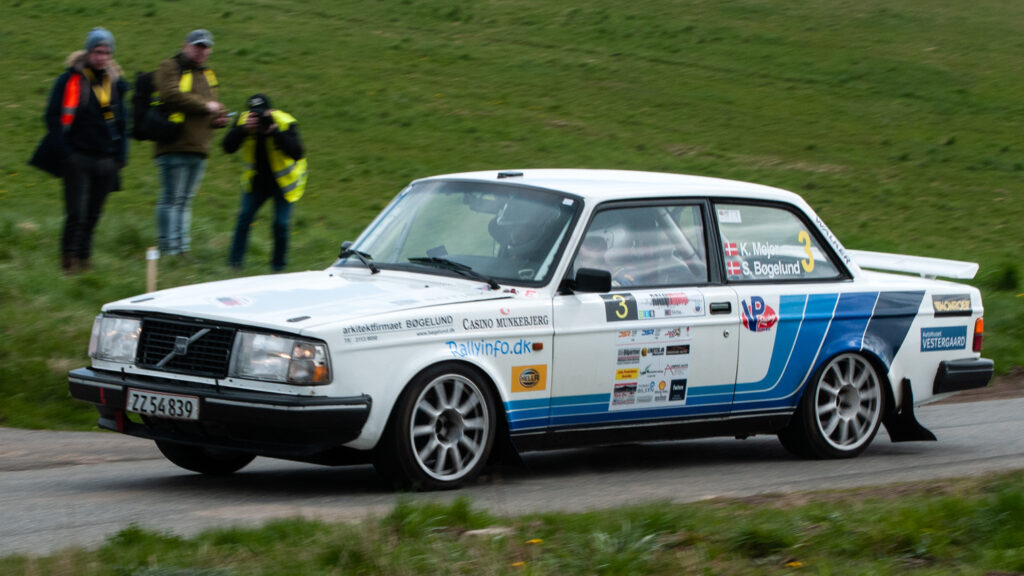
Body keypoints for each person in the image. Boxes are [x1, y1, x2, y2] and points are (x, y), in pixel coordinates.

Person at [30, 27, 129, 274]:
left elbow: (123, 122)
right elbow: (53, 118)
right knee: (77, 214)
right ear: (88, 51)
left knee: (94, 214)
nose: (102, 56)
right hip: (78, 157)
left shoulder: (115, 82)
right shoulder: (70, 80)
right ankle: (69, 261)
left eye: (106, 52)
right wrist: (67, 154)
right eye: (97, 51)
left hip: (106, 159)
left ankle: (85, 260)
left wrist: (120, 157)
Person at [153, 29, 229, 256]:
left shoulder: (208, 74)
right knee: (172, 200)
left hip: (199, 147)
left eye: (205, 47)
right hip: (174, 144)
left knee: (184, 201)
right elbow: (171, 96)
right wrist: (207, 107)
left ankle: (181, 250)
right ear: (186, 45)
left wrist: (220, 117)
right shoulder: (170, 66)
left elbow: (212, 105)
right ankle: (169, 249)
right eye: (197, 46)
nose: (201, 51)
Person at [223, 94, 307, 271]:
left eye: (261, 114)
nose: (258, 118)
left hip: (284, 184)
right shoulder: (244, 122)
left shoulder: (284, 121)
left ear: (270, 111)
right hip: (257, 183)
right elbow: (227, 147)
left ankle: (278, 267)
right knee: (244, 218)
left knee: (281, 224)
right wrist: (243, 130)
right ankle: (234, 264)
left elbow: (298, 152)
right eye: (254, 113)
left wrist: (275, 132)